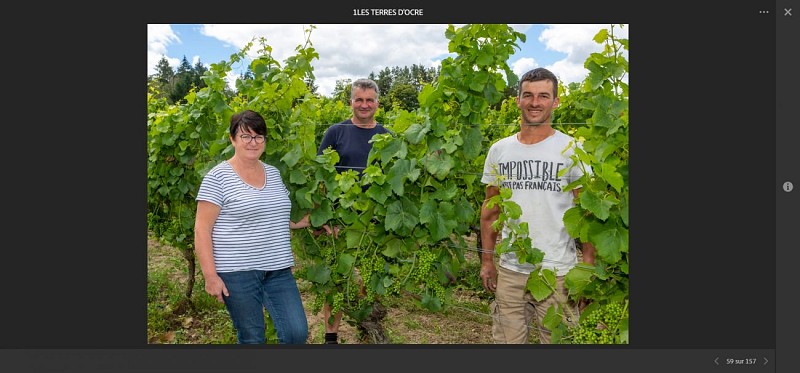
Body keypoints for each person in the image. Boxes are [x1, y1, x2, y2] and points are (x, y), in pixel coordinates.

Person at [479, 67, 596, 344]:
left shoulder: (571, 151)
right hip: (511, 271)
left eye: (544, 96)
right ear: (518, 99)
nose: (535, 102)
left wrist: (587, 271)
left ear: (555, 102)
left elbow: (588, 214)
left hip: (559, 274)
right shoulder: (500, 150)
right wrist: (487, 260)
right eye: (528, 95)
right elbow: (490, 210)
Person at [194, 109, 311, 344]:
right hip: (237, 273)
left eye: (259, 136)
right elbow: (201, 229)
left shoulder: (274, 173)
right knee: (252, 338)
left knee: (296, 333)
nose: (253, 142)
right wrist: (210, 276)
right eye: (245, 136)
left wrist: (317, 222)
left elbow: (279, 216)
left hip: (278, 269)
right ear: (232, 139)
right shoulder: (217, 177)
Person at [316, 78, 391, 344]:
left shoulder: (387, 136)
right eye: (359, 99)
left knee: (371, 277)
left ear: (377, 104)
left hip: (374, 222)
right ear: (351, 102)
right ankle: (330, 337)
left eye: (369, 100)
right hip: (339, 222)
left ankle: (365, 325)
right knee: (335, 280)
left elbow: (392, 181)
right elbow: (321, 179)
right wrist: (326, 217)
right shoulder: (335, 132)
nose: (364, 105)